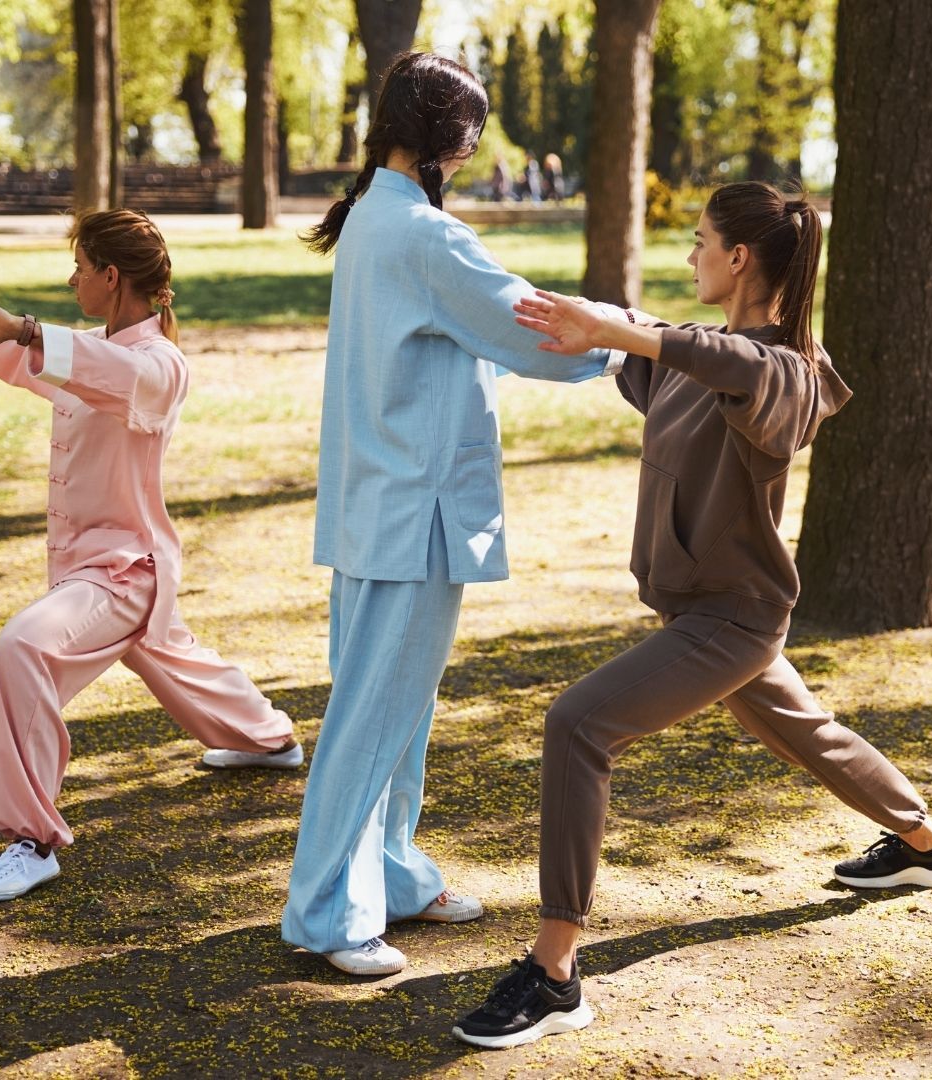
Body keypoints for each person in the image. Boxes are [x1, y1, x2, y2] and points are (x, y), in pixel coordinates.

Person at [452, 180, 932, 1048]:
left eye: (698, 240)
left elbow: (732, 366)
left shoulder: (785, 374)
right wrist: (546, 318)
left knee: (577, 726)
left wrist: (619, 327)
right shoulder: (699, 357)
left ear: (738, 257)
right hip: (704, 611)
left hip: (732, 618)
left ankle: (554, 970)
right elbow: (664, 361)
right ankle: (926, 844)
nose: (689, 254)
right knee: (810, 730)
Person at [282, 52, 619, 978]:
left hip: (379, 500)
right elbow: (524, 324)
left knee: (398, 711)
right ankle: (326, 913)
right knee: (372, 715)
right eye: (471, 133)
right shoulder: (423, 236)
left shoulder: (370, 223)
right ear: (451, 139)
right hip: (409, 508)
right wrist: (631, 344)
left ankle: (391, 875)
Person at [0, 208, 300, 904]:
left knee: (24, 646)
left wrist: (24, 327)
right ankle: (270, 739)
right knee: (177, 661)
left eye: (81, 268)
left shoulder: (158, 366)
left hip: (125, 573)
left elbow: (96, 367)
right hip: (97, 573)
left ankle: (32, 839)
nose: (72, 279)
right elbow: (28, 361)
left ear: (112, 278)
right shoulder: (84, 350)